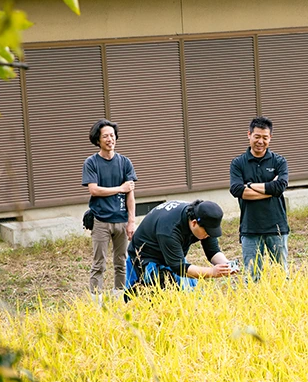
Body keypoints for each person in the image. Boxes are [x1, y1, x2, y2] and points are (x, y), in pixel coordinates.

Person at [125, 199, 236, 293]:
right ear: (194, 223)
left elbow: (212, 251)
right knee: (164, 297)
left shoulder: (203, 218)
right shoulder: (169, 230)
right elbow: (179, 268)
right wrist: (212, 272)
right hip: (146, 258)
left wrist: (227, 265)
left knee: (188, 294)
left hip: (172, 257)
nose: (208, 235)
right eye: (207, 232)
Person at [82, 119, 137, 300]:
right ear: (98, 140)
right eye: (105, 136)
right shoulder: (91, 163)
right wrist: (119, 188)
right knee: (99, 264)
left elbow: (131, 195)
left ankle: (119, 297)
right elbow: (94, 189)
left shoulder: (125, 162)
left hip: (121, 221)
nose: (109, 139)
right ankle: (95, 301)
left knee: (121, 263)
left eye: (112, 135)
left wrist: (131, 222)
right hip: (101, 221)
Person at [229, 116, 290, 282]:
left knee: (281, 275)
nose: (260, 141)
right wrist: (269, 187)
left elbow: (280, 187)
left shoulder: (279, 161)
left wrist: (249, 186)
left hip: (276, 226)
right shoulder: (238, 163)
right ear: (249, 135)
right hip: (250, 228)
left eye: (265, 137)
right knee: (251, 277)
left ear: (270, 138)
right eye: (257, 136)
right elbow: (236, 189)